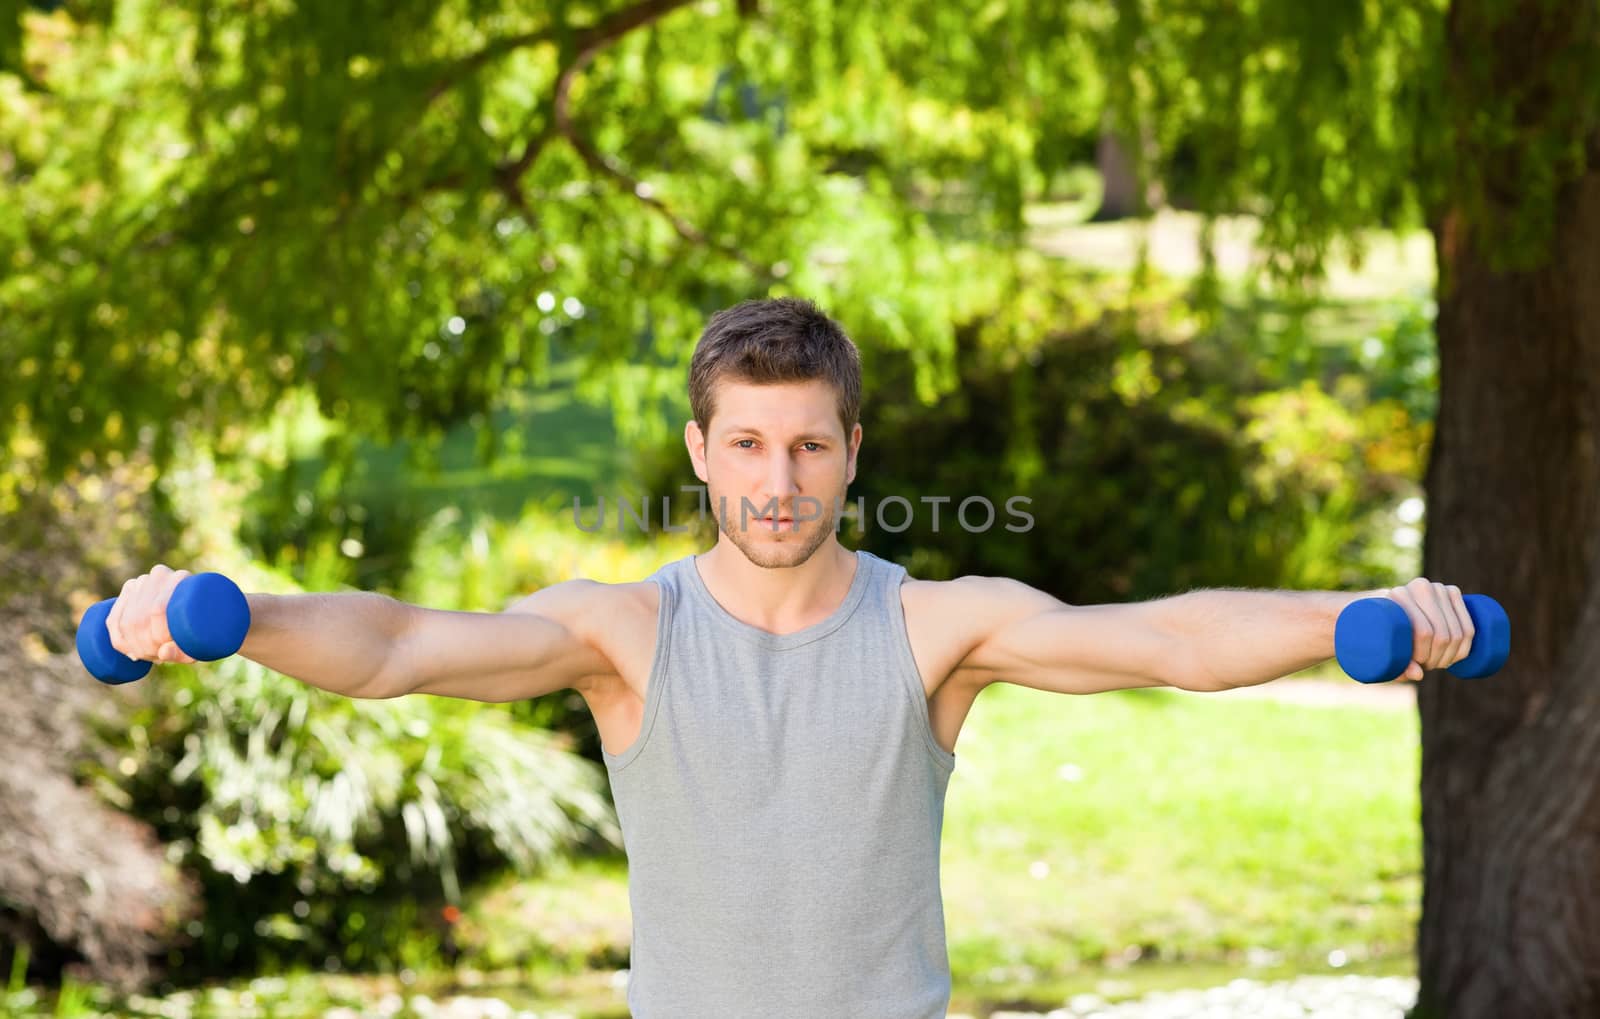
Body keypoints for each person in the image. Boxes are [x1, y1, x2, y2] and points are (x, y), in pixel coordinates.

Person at [101, 296, 1475, 1018]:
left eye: (809, 445)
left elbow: (1168, 638)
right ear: (701, 451)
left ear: (853, 453)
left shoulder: (933, 629)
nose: (777, 481)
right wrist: (244, 611)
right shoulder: (623, 635)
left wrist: (1350, 616)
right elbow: (401, 642)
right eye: (747, 445)